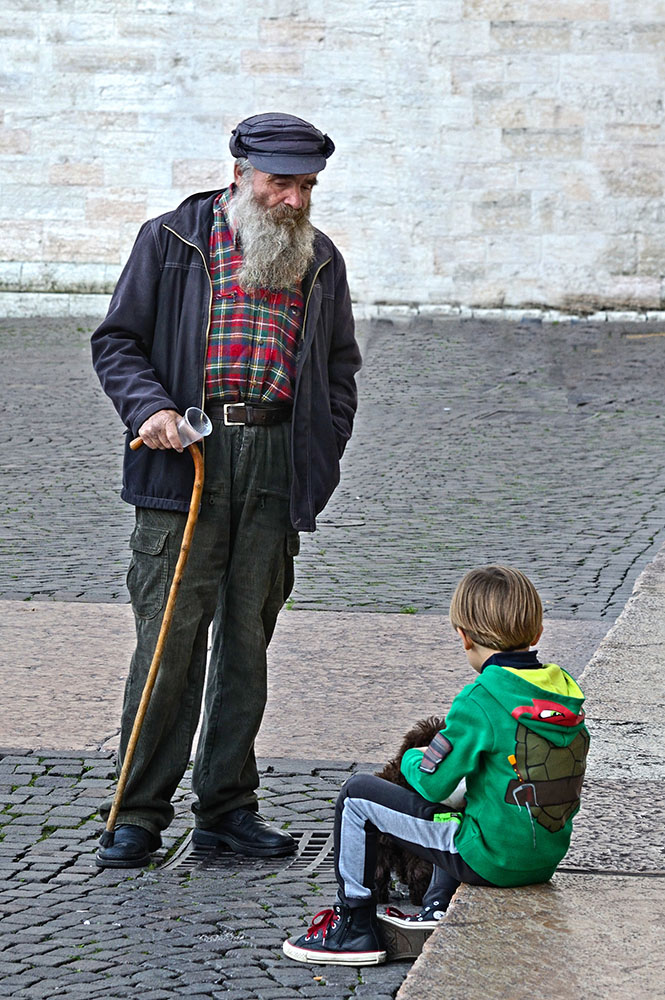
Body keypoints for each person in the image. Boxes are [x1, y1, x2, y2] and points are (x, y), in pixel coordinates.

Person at [90, 112, 360, 868]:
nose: (294, 202)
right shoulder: (169, 240)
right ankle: (137, 811)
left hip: (274, 460)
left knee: (247, 643)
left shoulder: (320, 259)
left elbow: (339, 368)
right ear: (240, 172)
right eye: (281, 184)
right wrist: (151, 409)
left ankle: (226, 808)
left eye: (306, 187)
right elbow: (116, 342)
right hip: (186, 463)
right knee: (169, 642)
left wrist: (322, 449)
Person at [283, 565, 590, 965]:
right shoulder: (563, 692)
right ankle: (438, 905)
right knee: (474, 793)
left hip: (488, 857)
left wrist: (412, 757)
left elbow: (432, 783)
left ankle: (354, 926)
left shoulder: (481, 698)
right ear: (537, 633)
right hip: (542, 856)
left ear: (463, 635)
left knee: (357, 796)